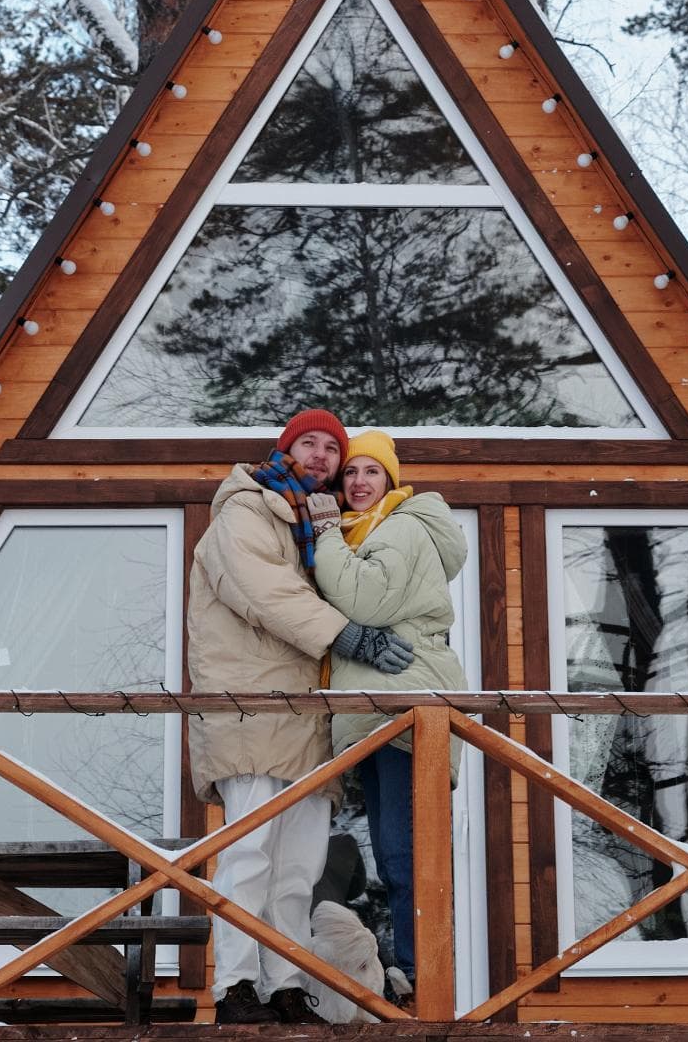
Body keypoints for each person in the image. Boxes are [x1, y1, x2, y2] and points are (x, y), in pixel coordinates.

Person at [186, 410, 416, 1024]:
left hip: (312, 718)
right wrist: (348, 636)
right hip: (252, 707)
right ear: (284, 450)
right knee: (249, 854)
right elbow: (266, 592)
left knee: (299, 869)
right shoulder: (246, 510)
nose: (320, 455)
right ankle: (235, 988)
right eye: (308, 443)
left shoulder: (320, 526)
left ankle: (286, 985)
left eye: (331, 448)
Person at [307, 430, 468, 1008]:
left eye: (371, 471)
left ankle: (424, 980)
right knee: (393, 850)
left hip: (406, 709)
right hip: (379, 711)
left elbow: (364, 601)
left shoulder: (401, 526)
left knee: (405, 853)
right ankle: (410, 973)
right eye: (350, 472)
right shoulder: (366, 530)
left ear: (392, 480)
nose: (358, 482)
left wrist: (326, 532)